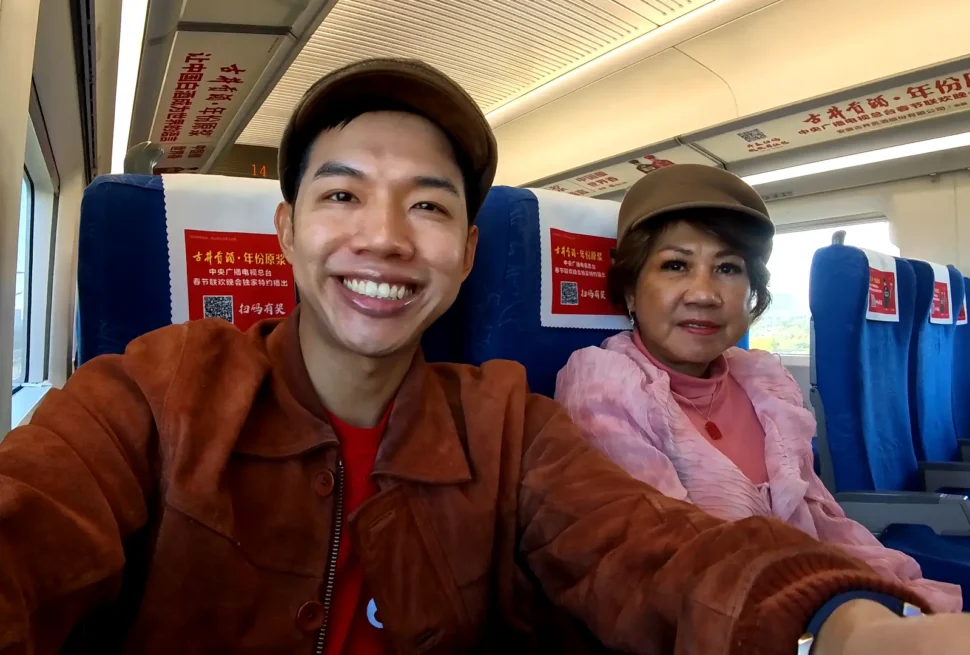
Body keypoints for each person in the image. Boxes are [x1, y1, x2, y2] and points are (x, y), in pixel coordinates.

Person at [1, 59, 969, 655]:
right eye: (343, 197)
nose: (383, 237)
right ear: (286, 233)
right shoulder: (148, 395)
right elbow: (31, 522)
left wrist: (847, 626)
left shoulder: (507, 426)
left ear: (465, 254)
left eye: (427, 204)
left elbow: (654, 549)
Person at [555, 164, 964, 615]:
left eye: (728, 268)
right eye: (676, 265)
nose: (705, 294)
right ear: (631, 290)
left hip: (826, 603)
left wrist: (910, 599)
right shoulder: (603, 386)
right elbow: (670, 563)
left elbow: (825, 520)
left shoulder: (765, 383)